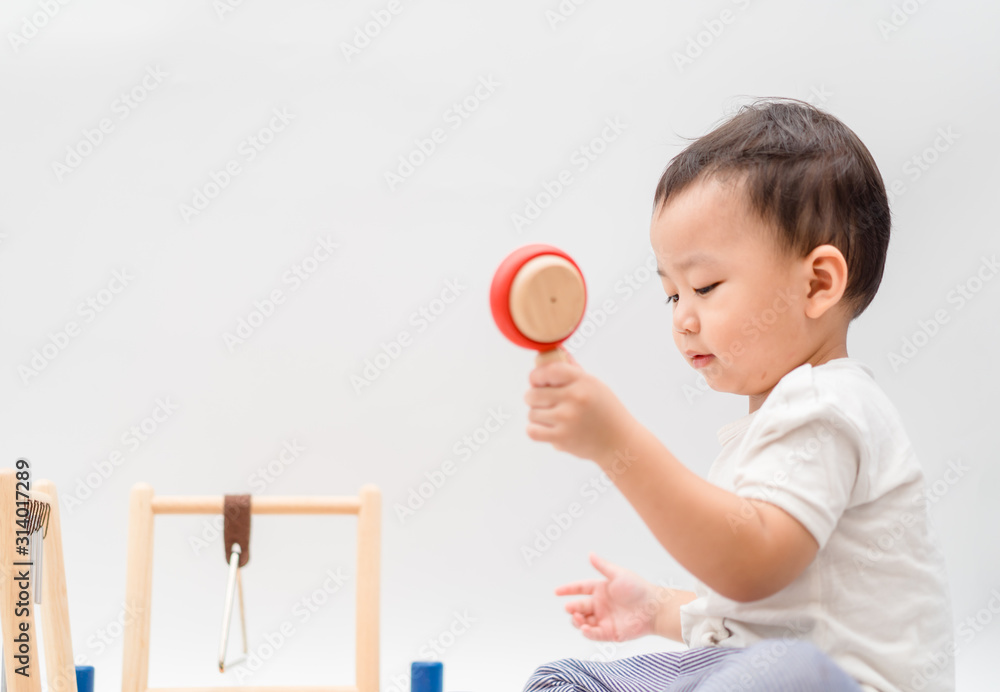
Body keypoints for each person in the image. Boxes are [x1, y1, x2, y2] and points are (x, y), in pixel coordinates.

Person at [520, 97, 955, 692]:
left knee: (783, 668)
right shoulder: (779, 421)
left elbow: (750, 568)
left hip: (839, 683)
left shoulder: (829, 408)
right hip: (753, 669)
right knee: (568, 680)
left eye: (704, 286)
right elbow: (746, 620)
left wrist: (614, 441)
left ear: (818, 283)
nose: (682, 318)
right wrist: (656, 609)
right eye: (672, 295)